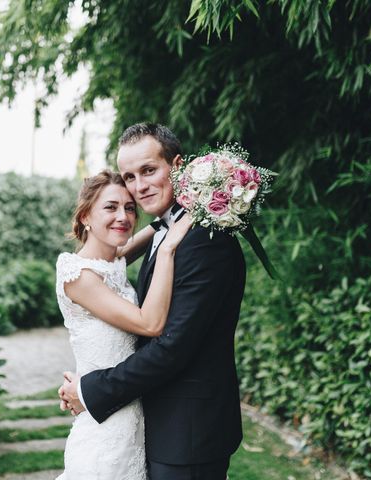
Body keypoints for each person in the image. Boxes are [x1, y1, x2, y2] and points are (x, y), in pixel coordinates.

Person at [59, 123, 247, 479]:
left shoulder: (204, 241)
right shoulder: (169, 231)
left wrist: (91, 389)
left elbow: (171, 347)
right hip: (158, 424)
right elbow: (113, 254)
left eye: (148, 170)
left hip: (188, 431)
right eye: (130, 176)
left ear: (176, 167)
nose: (139, 186)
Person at [54, 169, 191, 479]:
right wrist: (168, 249)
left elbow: (161, 223)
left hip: (134, 421)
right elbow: (151, 323)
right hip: (104, 432)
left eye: (130, 208)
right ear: (86, 214)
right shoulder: (78, 276)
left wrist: (200, 195)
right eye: (111, 207)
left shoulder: (112, 262)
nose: (124, 216)